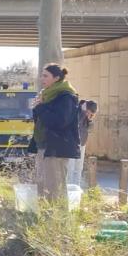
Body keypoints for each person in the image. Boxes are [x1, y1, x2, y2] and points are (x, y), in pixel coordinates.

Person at [30, 63, 80, 202]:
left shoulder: (65, 97)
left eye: (46, 76)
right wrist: (38, 107)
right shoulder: (46, 95)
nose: (42, 78)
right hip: (44, 146)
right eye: (42, 75)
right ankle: (44, 214)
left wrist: (40, 107)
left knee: (55, 187)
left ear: (56, 78)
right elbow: (41, 120)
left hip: (56, 148)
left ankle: (58, 215)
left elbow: (59, 122)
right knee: (42, 185)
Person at [67, 100, 98, 188]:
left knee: (79, 167)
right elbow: (76, 123)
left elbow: (90, 129)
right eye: (90, 112)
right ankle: (69, 187)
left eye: (92, 114)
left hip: (82, 142)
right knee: (71, 167)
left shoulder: (88, 115)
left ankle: (77, 186)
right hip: (72, 143)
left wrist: (90, 120)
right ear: (86, 108)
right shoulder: (76, 109)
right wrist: (83, 114)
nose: (90, 114)